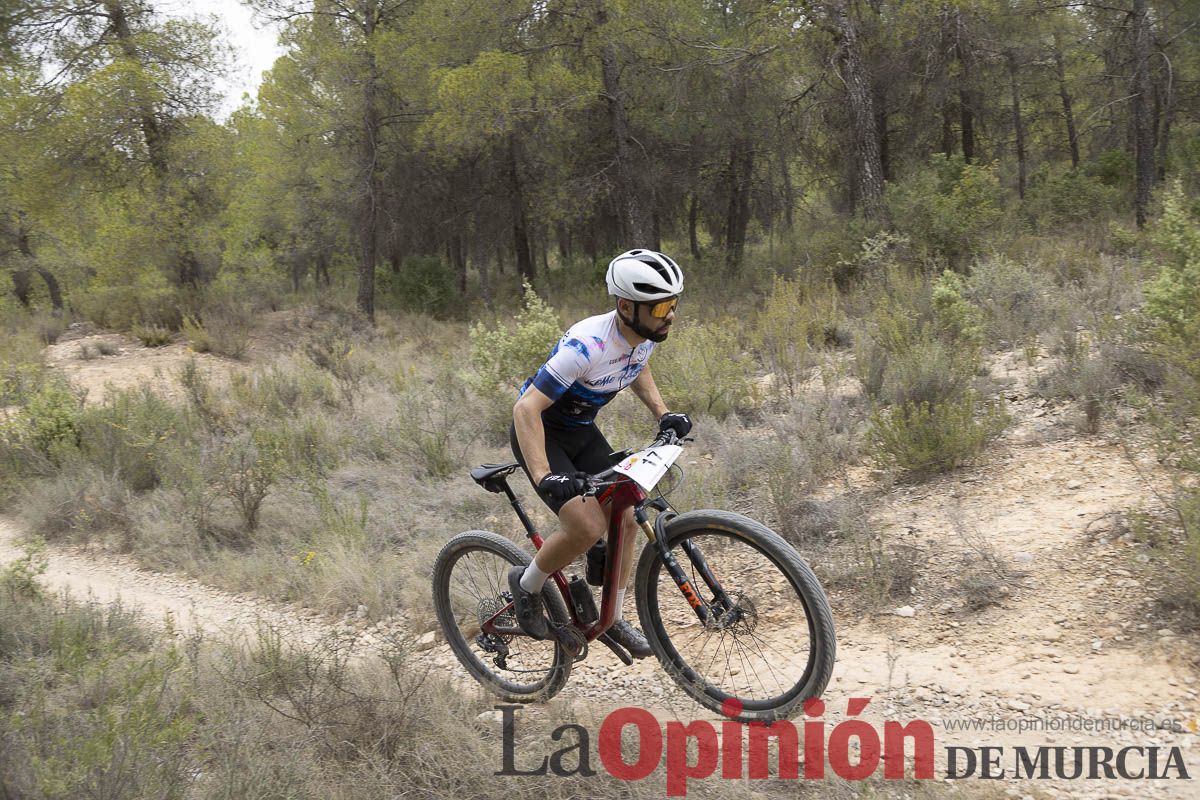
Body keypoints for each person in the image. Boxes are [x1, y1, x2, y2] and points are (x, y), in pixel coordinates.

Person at [508, 249, 693, 657]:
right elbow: (526, 409)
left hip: (581, 431)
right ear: (626, 306)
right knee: (588, 525)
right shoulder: (586, 346)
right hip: (541, 434)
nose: (671, 315)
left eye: (674, 304)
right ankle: (527, 585)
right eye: (662, 306)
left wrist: (664, 414)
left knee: (626, 515)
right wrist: (544, 477)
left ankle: (613, 617)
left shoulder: (642, 334)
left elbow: (637, 365)